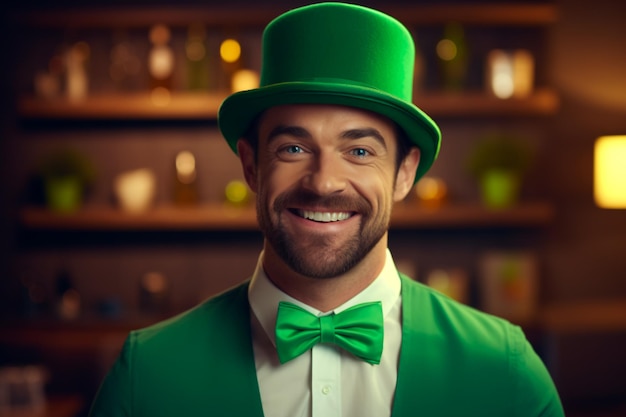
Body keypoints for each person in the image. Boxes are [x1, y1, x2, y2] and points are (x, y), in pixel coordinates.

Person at [89, 3, 564, 416]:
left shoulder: (507, 374)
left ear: (404, 173)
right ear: (252, 166)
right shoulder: (144, 377)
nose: (323, 182)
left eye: (359, 151)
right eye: (293, 148)